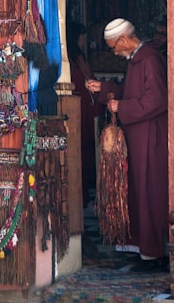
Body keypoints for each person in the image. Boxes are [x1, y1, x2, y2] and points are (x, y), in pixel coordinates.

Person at [85, 17, 169, 271]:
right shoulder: (137, 59)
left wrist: (122, 107)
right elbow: (134, 92)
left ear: (123, 40)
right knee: (136, 192)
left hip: (150, 138)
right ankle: (140, 249)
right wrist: (106, 88)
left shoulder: (150, 59)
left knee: (148, 193)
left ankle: (153, 254)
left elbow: (156, 99)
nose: (115, 52)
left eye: (114, 47)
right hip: (138, 136)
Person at [67, 21, 102, 208]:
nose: (83, 40)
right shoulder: (72, 59)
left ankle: (86, 195)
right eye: (81, 37)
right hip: (78, 110)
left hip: (86, 110)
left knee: (86, 150)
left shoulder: (79, 58)